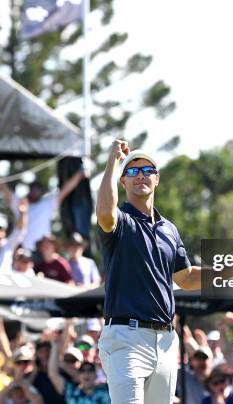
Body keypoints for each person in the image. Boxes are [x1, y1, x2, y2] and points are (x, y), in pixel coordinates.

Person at [96, 141, 204, 403]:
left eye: (146, 169)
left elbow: (186, 277)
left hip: (166, 341)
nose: (140, 175)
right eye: (131, 171)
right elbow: (104, 213)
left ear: (157, 178)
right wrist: (112, 161)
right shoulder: (121, 220)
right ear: (123, 181)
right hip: (126, 337)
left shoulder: (170, 229)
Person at [0, 169, 86, 252]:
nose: (34, 191)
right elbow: (5, 190)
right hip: (22, 252)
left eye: (37, 189)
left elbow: (66, 189)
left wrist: (79, 174)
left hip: (42, 252)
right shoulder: (21, 204)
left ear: (41, 192)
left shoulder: (47, 203)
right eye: (32, 189)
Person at [49, 331, 110, 404]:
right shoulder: (71, 392)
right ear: (78, 376)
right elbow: (53, 374)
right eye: (82, 370)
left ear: (96, 374)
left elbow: (114, 379)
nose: (86, 373)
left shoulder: (106, 390)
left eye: (90, 370)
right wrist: (55, 347)